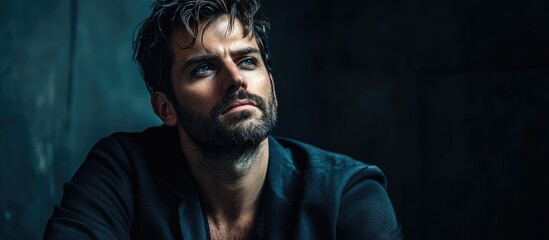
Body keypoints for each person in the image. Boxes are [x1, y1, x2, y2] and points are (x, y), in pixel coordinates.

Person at [43, 0, 402, 239]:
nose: (235, 79)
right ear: (166, 107)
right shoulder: (121, 171)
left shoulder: (348, 195)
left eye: (247, 61)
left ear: (272, 88)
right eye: (204, 68)